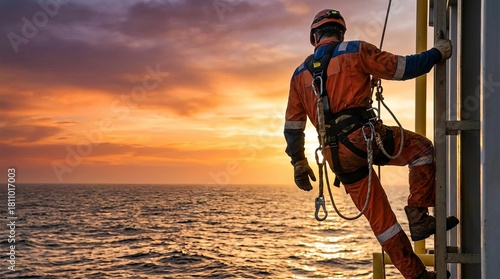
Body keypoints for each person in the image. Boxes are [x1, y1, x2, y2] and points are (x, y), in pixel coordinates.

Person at [284, 9, 459, 279]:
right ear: (341, 33)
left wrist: (298, 162)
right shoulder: (355, 51)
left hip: (336, 158)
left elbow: (293, 127)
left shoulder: (299, 75)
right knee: (422, 149)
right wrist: (437, 53)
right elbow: (403, 68)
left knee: (384, 225)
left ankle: (419, 277)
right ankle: (418, 214)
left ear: (314, 37)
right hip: (363, 138)